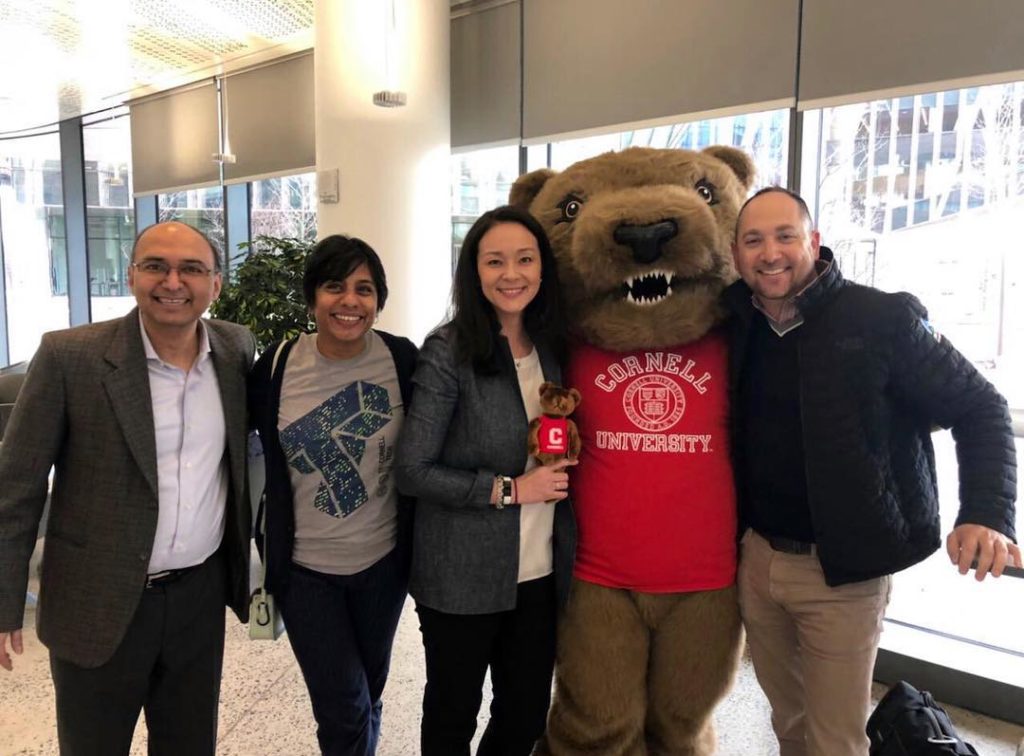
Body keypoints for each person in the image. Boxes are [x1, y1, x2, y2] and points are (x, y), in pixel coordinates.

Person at [723, 186, 1019, 756]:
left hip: (842, 573)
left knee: (836, 739)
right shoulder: (735, 324)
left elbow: (979, 405)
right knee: (788, 722)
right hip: (756, 561)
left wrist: (986, 512)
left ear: (813, 241)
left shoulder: (883, 319)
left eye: (785, 236)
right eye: (753, 241)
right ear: (735, 255)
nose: (770, 253)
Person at [0, 221, 255, 755]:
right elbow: (16, 487)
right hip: (96, 601)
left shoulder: (235, 351)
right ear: (133, 275)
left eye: (191, 268)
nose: (173, 281)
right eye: (156, 266)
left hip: (198, 600)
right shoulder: (71, 356)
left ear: (216, 284)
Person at [395, 205, 577, 756]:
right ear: (474, 272)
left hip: (539, 573)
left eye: (524, 259)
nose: (511, 274)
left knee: (524, 717)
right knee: (453, 714)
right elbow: (413, 469)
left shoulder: (554, 347)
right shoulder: (449, 350)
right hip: (460, 574)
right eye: (494, 261)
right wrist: (511, 490)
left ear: (543, 269)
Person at [248, 235, 418, 756]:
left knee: (369, 688)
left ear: (379, 300)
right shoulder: (274, 368)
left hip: (383, 566)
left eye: (364, 289)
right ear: (312, 297)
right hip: (304, 572)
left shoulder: (402, 360)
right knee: (342, 704)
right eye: (334, 286)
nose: (350, 301)